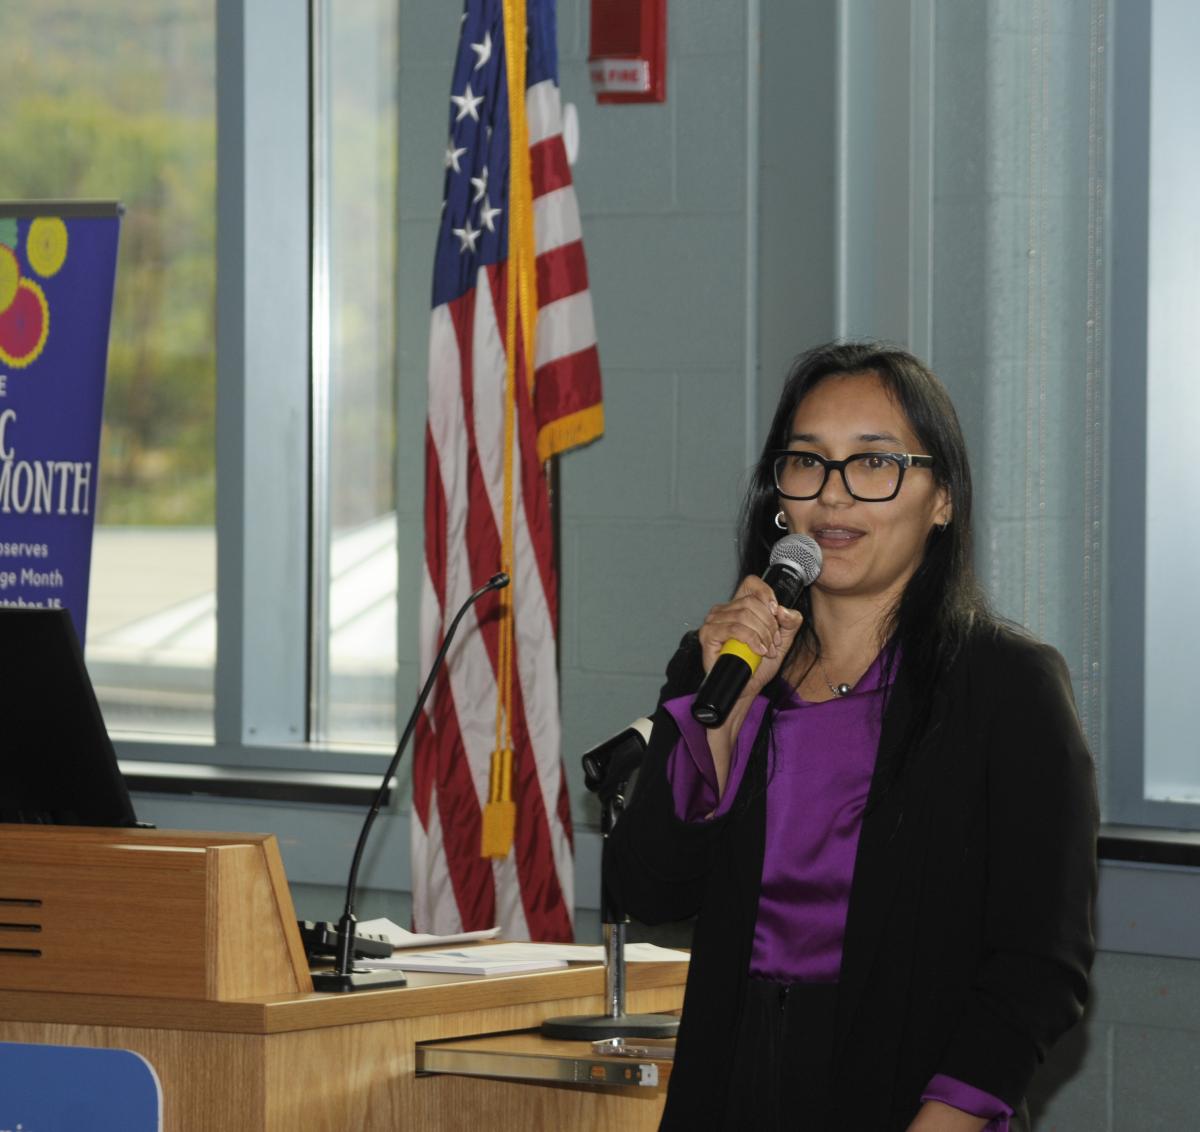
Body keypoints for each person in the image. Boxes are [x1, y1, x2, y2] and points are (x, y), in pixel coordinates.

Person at [605, 341, 1098, 1131]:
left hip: (917, 1095)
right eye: (807, 462)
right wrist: (727, 710)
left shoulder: (1006, 687)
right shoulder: (717, 664)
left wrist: (946, 1120)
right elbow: (650, 888)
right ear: (780, 496)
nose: (834, 497)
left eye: (874, 465)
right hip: (731, 1080)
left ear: (941, 499)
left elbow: (1039, 966)